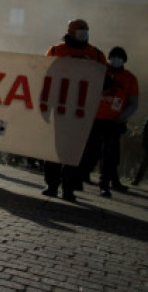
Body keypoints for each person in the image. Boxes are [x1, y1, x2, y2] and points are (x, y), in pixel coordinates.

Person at [41, 18, 107, 201]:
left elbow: (106, 80)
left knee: (76, 151)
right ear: (70, 31)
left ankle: (69, 188)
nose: (84, 33)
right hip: (60, 108)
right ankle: (52, 184)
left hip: (82, 112)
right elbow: (44, 75)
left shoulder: (97, 55)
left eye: (86, 29)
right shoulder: (56, 51)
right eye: (80, 29)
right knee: (54, 149)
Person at [80, 46, 139, 197]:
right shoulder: (100, 70)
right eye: (113, 57)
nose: (116, 60)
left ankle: (104, 184)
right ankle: (80, 176)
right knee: (90, 150)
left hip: (115, 122)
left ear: (123, 60)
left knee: (110, 154)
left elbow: (133, 102)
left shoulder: (130, 79)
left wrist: (124, 115)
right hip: (95, 118)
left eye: (119, 57)